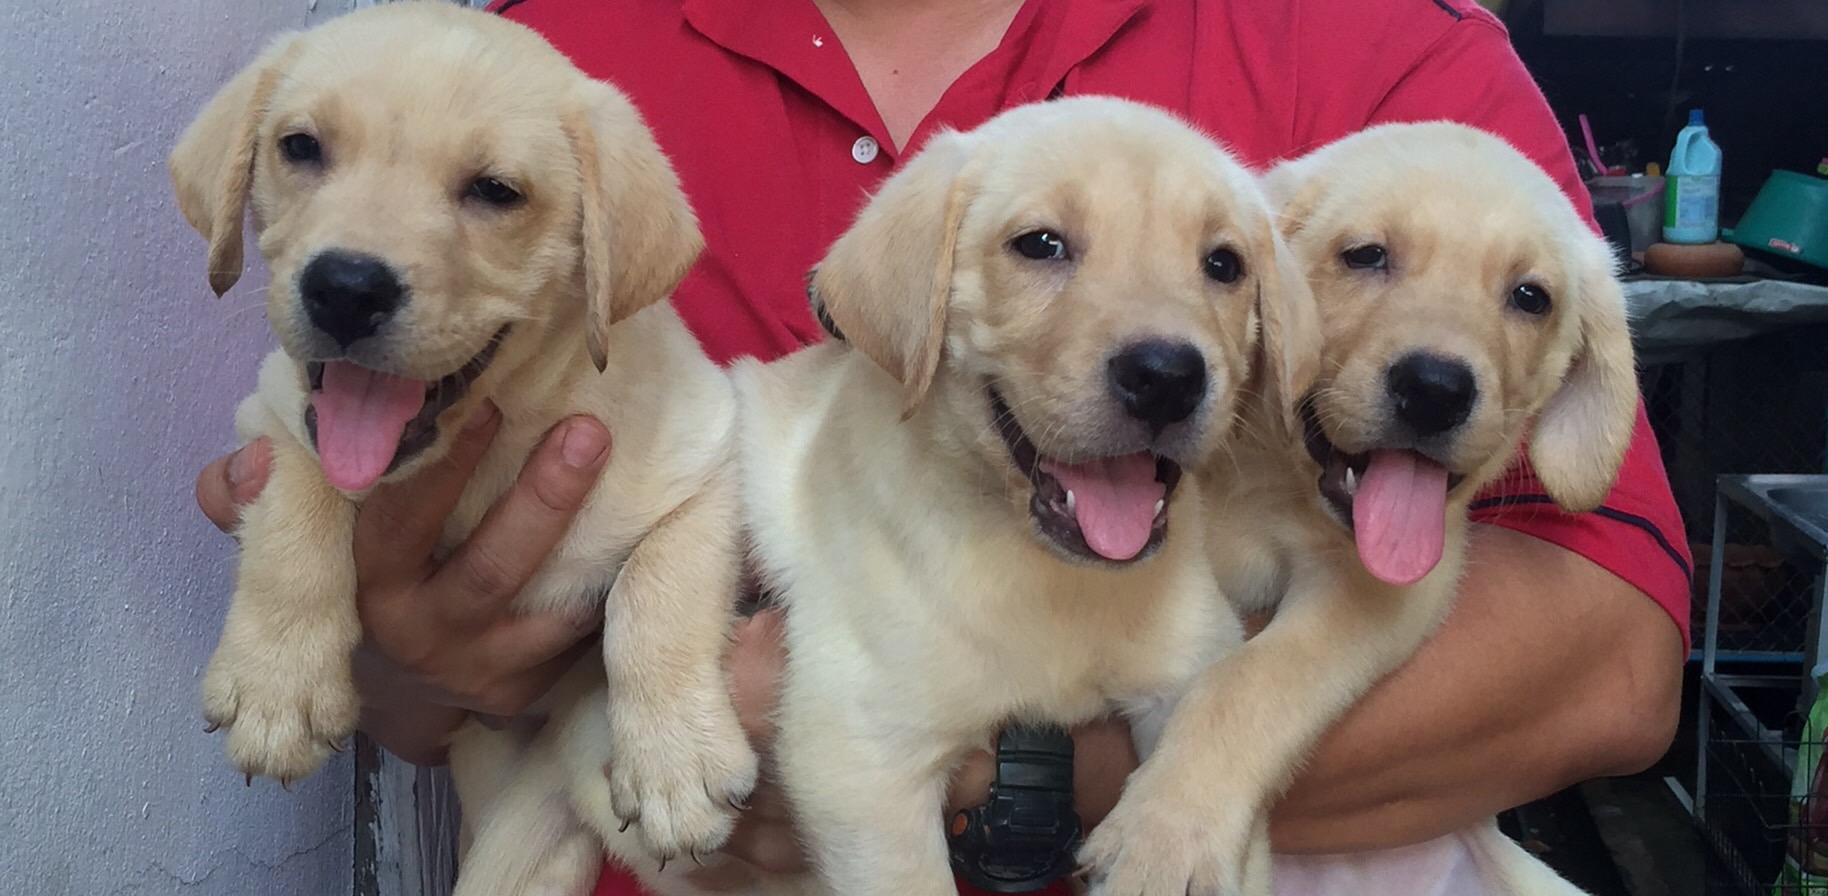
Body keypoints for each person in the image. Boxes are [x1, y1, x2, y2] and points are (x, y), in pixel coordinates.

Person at [195, 0, 1693, 892]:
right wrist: (402, 651)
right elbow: (412, 692)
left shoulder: (1378, 56)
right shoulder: (543, 64)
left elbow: (1608, 664)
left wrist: (967, 759)